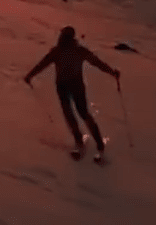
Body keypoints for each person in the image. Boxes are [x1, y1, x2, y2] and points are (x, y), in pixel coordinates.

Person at [24, 26, 120, 162]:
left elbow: (97, 63)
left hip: (72, 87)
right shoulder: (69, 51)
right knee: (75, 114)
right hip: (66, 87)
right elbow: (43, 64)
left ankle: (93, 143)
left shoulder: (67, 51)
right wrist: (30, 75)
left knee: (78, 114)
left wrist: (111, 72)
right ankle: (84, 142)